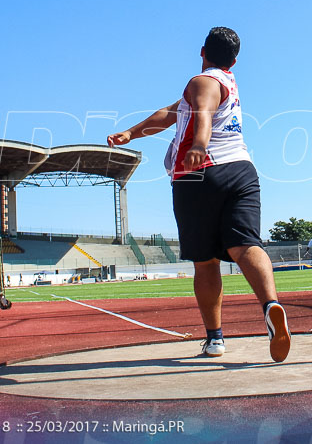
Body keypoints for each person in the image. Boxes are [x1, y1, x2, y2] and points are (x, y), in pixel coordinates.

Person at [107, 27, 290, 362]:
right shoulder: (228, 83)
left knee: (205, 262)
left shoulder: (202, 81)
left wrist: (199, 146)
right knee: (246, 244)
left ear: (202, 50)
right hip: (241, 169)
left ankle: (215, 339)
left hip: (198, 174)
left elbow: (202, 112)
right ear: (234, 60)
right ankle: (271, 305)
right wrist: (132, 133)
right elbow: (172, 112)